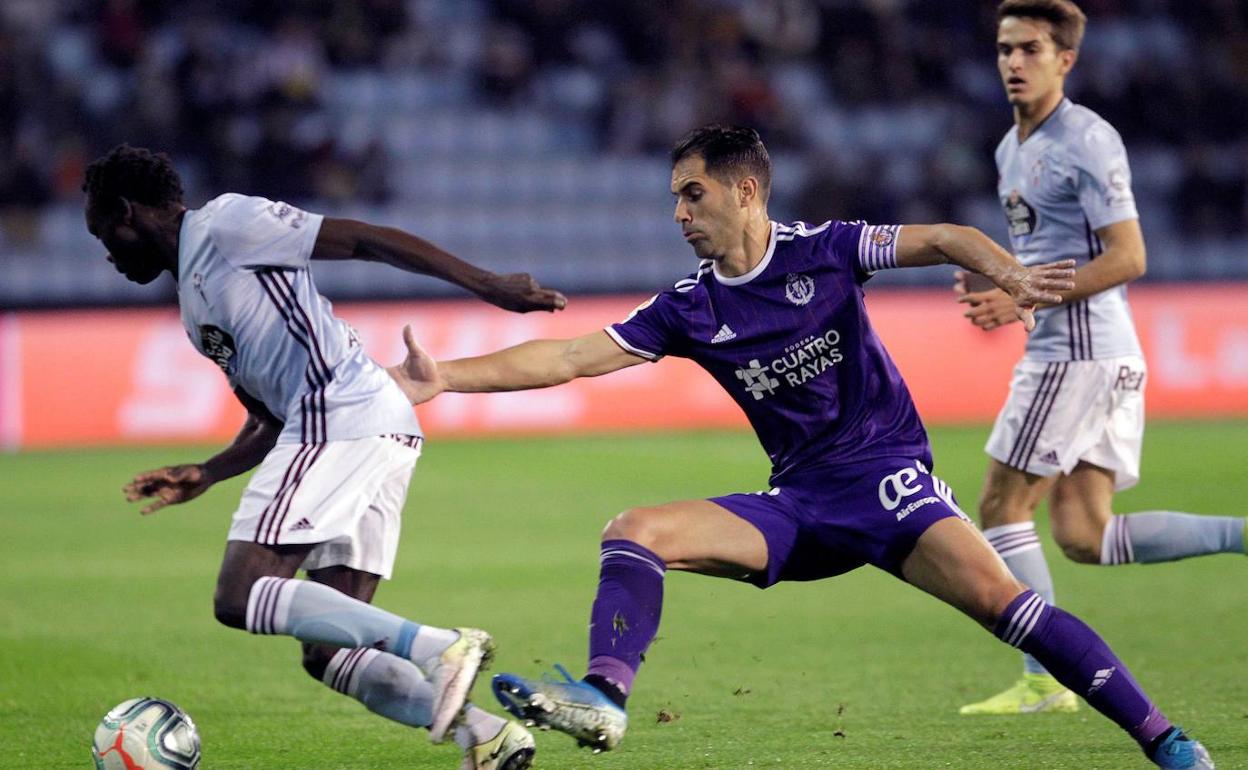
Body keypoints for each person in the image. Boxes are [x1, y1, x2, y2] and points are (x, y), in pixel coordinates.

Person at [387, 124, 1214, 769]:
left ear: (744, 191)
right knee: (634, 529)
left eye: (693, 194)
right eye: (676, 198)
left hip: (890, 487)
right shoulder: (688, 307)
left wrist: (1014, 275)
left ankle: (1166, 740)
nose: (679, 214)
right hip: (801, 505)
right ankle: (605, 695)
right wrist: (446, 378)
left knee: (1011, 610)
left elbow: (945, 236)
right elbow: (569, 355)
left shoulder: (827, 250)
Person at [83, 144, 566, 770]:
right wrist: (209, 471)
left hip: (340, 413)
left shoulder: (226, 224)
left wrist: (487, 285)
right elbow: (268, 415)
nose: (107, 253)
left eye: (104, 233)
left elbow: (364, 239)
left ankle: (440, 646)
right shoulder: (193, 308)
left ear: (129, 212)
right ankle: (487, 736)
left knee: (241, 595)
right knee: (330, 653)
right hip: (369, 426)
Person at [954, 0, 1246, 717]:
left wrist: (1024, 298)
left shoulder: (1088, 139)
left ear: (1066, 60)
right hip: (1083, 349)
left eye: (1029, 50)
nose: (1013, 63)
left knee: (1000, 504)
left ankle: (1045, 677)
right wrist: (1006, 284)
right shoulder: (1009, 148)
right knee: (1084, 535)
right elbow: (1045, 255)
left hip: (1077, 352)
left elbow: (1130, 255)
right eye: (1004, 49)